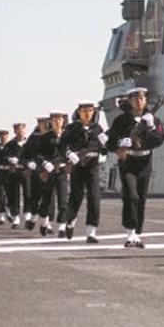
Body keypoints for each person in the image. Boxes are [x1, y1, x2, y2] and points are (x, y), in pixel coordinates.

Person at [107, 88, 164, 248]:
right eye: (135, 99)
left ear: (146, 101)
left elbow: (159, 140)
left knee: (141, 197)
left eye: (142, 98)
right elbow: (110, 142)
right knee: (131, 196)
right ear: (130, 101)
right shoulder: (121, 120)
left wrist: (151, 127)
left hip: (145, 161)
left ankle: (137, 234)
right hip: (128, 161)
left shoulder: (153, 119)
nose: (139, 101)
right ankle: (130, 232)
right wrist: (120, 144)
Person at [62, 101, 108, 243]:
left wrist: (105, 143)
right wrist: (69, 154)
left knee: (94, 198)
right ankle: (70, 222)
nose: (87, 113)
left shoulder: (98, 129)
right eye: (84, 110)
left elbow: (104, 151)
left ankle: (91, 231)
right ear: (79, 112)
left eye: (90, 110)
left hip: (92, 166)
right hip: (78, 166)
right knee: (76, 197)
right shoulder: (71, 129)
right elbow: (61, 146)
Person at [36, 112, 69, 237]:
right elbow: (38, 154)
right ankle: (44, 223)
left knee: (63, 199)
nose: (57, 122)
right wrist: (44, 163)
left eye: (59, 119)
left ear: (63, 121)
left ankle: (62, 227)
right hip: (48, 171)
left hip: (61, 171)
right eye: (54, 120)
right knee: (46, 200)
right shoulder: (45, 137)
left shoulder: (68, 136)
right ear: (51, 122)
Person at [20, 116, 51, 231]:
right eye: (40, 122)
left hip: (49, 171)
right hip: (36, 171)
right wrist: (28, 163)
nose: (42, 124)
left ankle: (46, 223)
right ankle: (33, 218)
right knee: (35, 198)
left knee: (49, 199)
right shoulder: (33, 138)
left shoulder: (53, 136)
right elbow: (24, 156)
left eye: (45, 122)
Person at [3, 123, 28, 228]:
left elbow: (34, 155)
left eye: (22, 129)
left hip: (26, 171)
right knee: (14, 195)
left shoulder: (29, 143)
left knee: (28, 193)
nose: (20, 132)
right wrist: (9, 159)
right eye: (18, 130)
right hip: (14, 172)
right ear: (15, 131)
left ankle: (27, 216)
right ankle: (16, 217)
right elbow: (3, 156)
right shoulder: (10, 144)